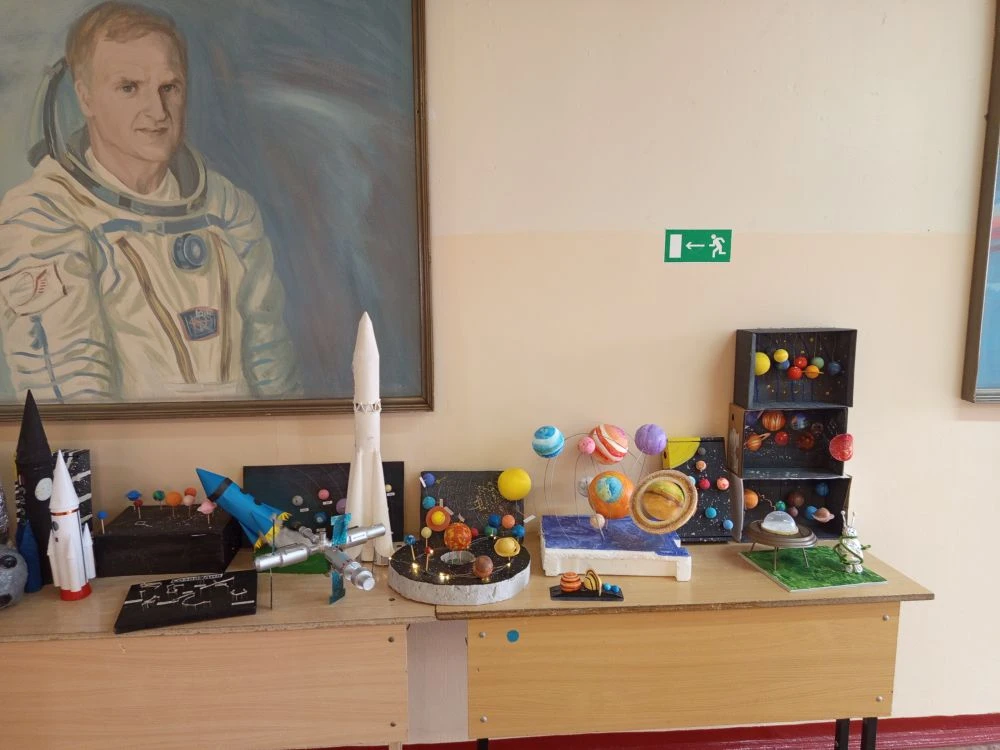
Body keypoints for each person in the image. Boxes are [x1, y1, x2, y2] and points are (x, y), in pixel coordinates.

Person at [0, 1, 299, 403]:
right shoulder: (42, 217)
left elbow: (274, 377)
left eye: (169, 88)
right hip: (122, 445)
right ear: (85, 98)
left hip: (241, 442)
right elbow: (72, 404)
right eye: (129, 87)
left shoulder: (229, 210)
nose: (157, 111)